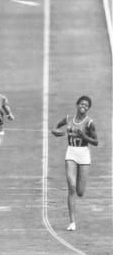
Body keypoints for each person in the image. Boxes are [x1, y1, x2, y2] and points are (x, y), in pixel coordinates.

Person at [51, 96, 98, 231]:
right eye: (82, 104)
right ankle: (72, 222)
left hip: (83, 155)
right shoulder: (68, 119)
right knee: (71, 187)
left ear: (88, 108)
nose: (83, 106)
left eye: (86, 105)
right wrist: (56, 132)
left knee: (80, 192)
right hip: (71, 153)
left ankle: (78, 177)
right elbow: (55, 128)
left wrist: (84, 137)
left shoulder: (90, 123)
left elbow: (96, 142)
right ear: (77, 105)